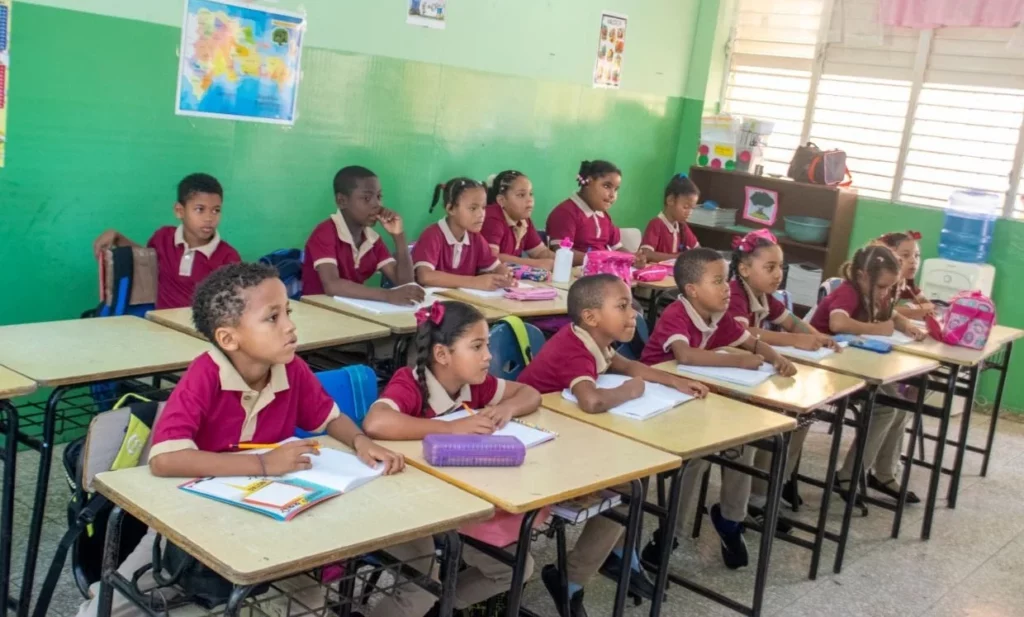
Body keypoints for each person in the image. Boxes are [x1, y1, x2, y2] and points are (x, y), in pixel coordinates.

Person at [75, 262, 404, 617]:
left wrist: (359, 441)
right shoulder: (204, 375)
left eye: (288, 312)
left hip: (265, 518)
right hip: (187, 522)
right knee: (104, 610)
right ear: (229, 338)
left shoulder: (290, 369)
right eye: (272, 317)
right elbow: (165, 460)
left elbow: (331, 418)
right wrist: (263, 463)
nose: (290, 326)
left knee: (309, 601)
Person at [518, 274, 707, 616]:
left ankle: (619, 556)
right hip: (535, 448)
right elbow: (591, 401)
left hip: (564, 433)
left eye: (631, 303)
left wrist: (678, 382)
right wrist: (630, 391)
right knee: (627, 482)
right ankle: (572, 579)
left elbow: (629, 365)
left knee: (635, 470)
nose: (633, 312)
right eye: (622, 306)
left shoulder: (595, 340)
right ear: (591, 316)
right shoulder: (573, 348)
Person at [362, 300, 542, 616]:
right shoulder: (411, 382)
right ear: (442, 355)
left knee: (515, 568)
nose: (489, 355)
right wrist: (452, 428)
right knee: (419, 589)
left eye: (487, 344)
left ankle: (443, 606)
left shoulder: (475, 385)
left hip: (455, 503)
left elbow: (530, 393)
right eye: (477, 346)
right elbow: (376, 423)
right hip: (401, 506)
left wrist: (506, 409)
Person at [638, 247, 796, 569]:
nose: (727, 288)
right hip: (657, 402)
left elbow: (749, 340)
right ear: (693, 290)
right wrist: (738, 361)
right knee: (695, 457)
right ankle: (671, 533)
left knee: (744, 441)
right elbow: (686, 356)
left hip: (694, 400)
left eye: (726, 280)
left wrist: (775, 358)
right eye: (719, 281)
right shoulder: (677, 314)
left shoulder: (718, 315)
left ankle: (730, 519)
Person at [726, 229, 839, 514]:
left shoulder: (765, 296)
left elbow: (792, 322)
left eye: (780, 267)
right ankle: (756, 496)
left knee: (802, 415)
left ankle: (770, 488)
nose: (778, 274)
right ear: (744, 269)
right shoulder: (735, 294)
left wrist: (819, 337)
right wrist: (796, 340)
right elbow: (743, 332)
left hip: (758, 372)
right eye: (770, 267)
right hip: (735, 375)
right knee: (772, 421)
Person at [809, 245, 927, 504]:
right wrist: (877, 329)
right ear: (862, 275)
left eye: (889, 287)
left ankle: (883, 473)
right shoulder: (848, 292)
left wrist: (907, 326)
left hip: (856, 364)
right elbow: (837, 324)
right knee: (886, 408)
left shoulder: (876, 291)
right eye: (882, 287)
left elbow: (891, 314)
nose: (885, 293)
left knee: (901, 403)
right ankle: (850, 476)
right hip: (824, 367)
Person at [92, 173, 241, 309]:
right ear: (179, 211)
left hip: (199, 333)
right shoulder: (163, 237)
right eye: (200, 209)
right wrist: (119, 238)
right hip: (159, 327)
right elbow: (147, 260)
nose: (209, 218)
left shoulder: (228, 258)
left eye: (216, 210)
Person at [302, 165, 423, 305]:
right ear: (342, 201)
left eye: (379, 196)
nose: (376, 204)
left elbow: (405, 285)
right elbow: (332, 286)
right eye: (366, 198)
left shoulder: (373, 240)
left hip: (351, 312)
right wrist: (387, 295)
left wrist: (399, 236)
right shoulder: (325, 233)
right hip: (318, 313)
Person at [412, 177, 514, 290]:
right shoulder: (432, 235)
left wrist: (504, 274)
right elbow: (425, 276)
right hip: (434, 303)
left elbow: (496, 267)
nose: (481, 214)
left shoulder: (476, 238)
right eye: (473, 208)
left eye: (483, 207)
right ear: (450, 209)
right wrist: (474, 282)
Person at [545, 160, 644, 267]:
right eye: (606, 186)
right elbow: (561, 252)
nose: (612, 195)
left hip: (603, 271)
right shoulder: (565, 213)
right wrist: (602, 259)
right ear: (589, 182)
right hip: (577, 275)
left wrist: (632, 258)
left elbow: (617, 248)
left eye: (616, 189)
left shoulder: (604, 216)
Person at [481, 170, 555, 270]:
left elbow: (541, 252)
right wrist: (536, 264)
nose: (530, 200)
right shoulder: (492, 217)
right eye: (521, 195)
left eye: (531, 193)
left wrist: (563, 261)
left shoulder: (524, 220)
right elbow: (492, 258)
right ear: (501, 200)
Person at [639, 173, 701, 263]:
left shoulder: (681, 226)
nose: (689, 212)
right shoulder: (656, 224)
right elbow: (646, 254)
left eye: (692, 208)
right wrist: (678, 257)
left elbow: (697, 250)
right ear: (670, 200)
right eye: (686, 207)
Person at [876, 230, 936, 320]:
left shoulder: (906, 282)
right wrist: (914, 310)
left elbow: (928, 305)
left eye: (917, 255)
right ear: (888, 257)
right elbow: (880, 312)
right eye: (905, 255)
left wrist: (911, 309)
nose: (913, 261)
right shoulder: (882, 281)